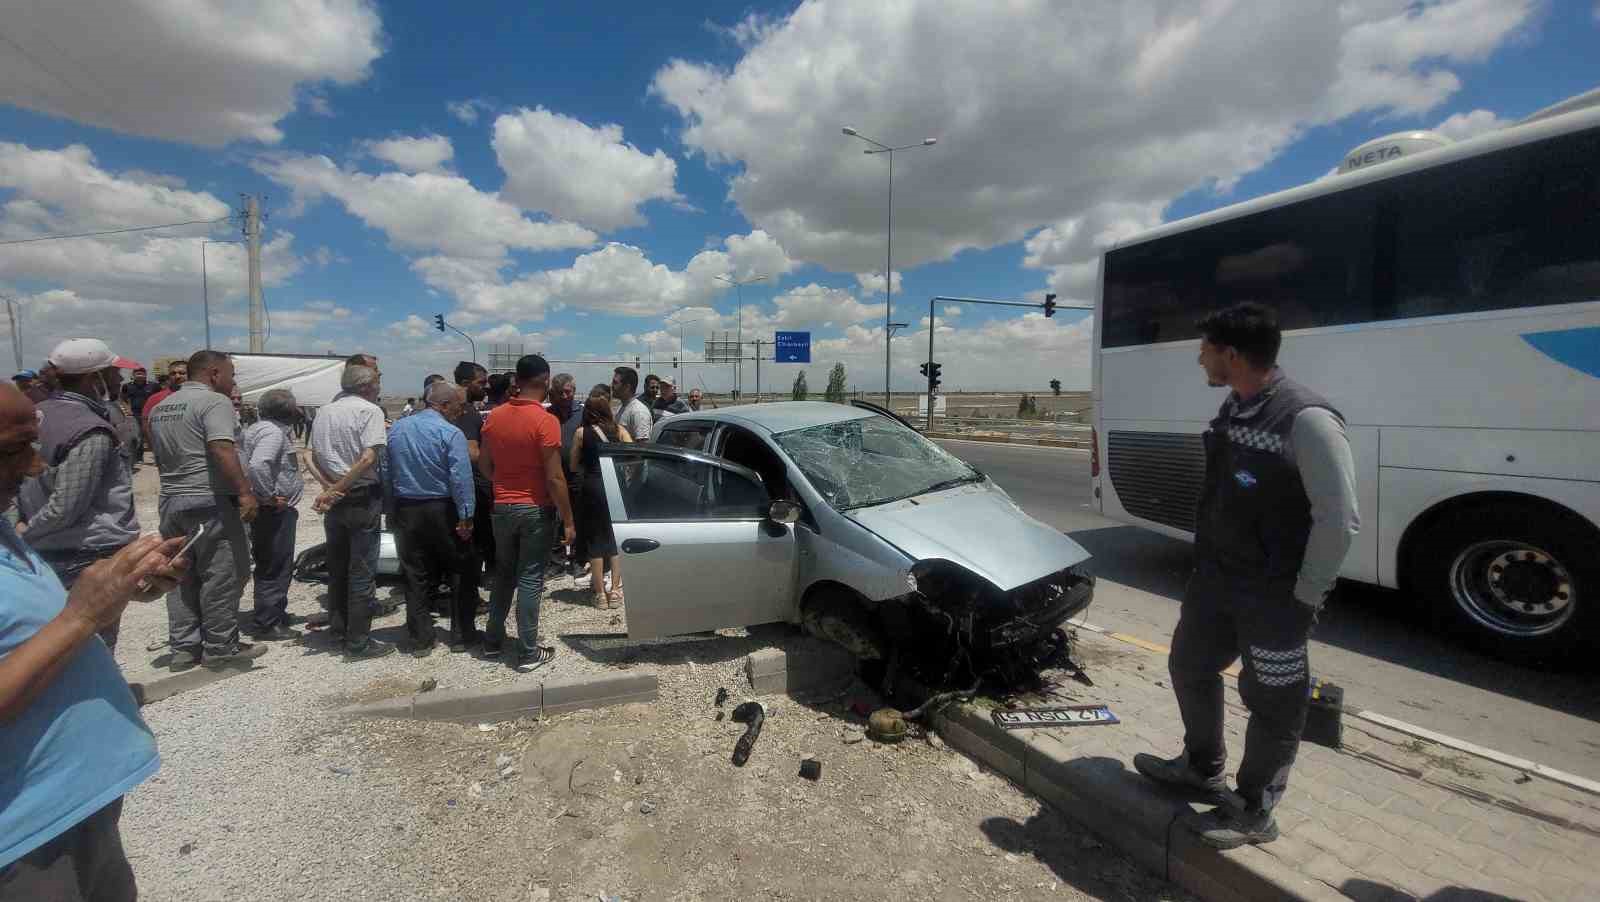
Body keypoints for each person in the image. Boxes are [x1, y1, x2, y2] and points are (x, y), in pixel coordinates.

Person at [1133, 303, 1359, 850]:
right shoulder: (1237, 407)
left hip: (1274, 595)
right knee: (1190, 665)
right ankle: (1200, 767)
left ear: (1231, 354)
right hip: (1217, 582)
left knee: (1275, 702)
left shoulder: (1306, 419)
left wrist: (1304, 597)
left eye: (1205, 349)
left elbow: (1339, 520)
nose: (1200, 358)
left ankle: (1255, 808)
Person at [0, 382, 189, 900]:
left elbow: (22, 630)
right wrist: (83, 616)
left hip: (76, 806)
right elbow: (67, 623)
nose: (36, 467)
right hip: (24, 839)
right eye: (13, 449)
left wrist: (121, 591)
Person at [16, 339, 144, 652]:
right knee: (92, 648)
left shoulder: (38, 414)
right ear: (94, 378)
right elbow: (66, 506)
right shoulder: (89, 429)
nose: (120, 380)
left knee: (57, 646)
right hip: (85, 552)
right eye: (114, 373)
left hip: (50, 548)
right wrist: (24, 535)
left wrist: (21, 529)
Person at [147, 350, 263, 672]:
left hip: (171, 499)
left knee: (181, 573)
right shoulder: (215, 402)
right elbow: (221, 448)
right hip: (209, 500)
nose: (233, 380)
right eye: (231, 373)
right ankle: (220, 649)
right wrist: (245, 492)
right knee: (222, 575)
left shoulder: (161, 407)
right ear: (214, 374)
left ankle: (184, 649)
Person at [479, 354, 574, 673]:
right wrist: (569, 520)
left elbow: (484, 465)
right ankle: (528, 652)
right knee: (531, 578)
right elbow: (555, 477)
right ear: (546, 381)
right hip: (535, 509)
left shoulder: (494, 416)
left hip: (502, 507)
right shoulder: (546, 421)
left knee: (503, 575)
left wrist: (505, 485)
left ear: (517, 381)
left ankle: (492, 643)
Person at [384, 381, 478, 654]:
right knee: (460, 569)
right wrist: (466, 515)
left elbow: (386, 471)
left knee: (415, 574)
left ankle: (420, 639)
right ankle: (462, 635)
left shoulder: (398, 429)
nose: (459, 413)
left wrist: (390, 510)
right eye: (457, 407)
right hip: (442, 508)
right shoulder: (450, 433)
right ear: (444, 405)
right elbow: (460, 478)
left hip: (407, 508)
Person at [306, 363, 393, 660]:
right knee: (362, 570)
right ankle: (358, 642)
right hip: (359, 496)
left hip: (335, 500)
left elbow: (310, 456)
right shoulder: (370, 411)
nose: (380, 387)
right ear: (368, 386)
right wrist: (340, 486)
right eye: (378, 382)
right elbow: (369, 457)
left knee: (338, 567)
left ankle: (338, 628)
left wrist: (329, 487)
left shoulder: (324, 411)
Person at [239, 389, 304, 641]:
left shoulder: (259, 429)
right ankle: (268, 623)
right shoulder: (272, 433)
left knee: (270, 562)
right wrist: (268, 497)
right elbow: (258, 464)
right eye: (295, 405)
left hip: (270, 509)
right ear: (285, 409)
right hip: (273, 511)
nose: (298, 410)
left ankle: (273, 611)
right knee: (275, 564)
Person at [570, 385, 634, 608]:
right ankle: (615, 591)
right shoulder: (620, 430)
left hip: (593, 486)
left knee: (595, 541)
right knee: (614, 539)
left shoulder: (581, 433)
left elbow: (573, 464)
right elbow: (634, 455)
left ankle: (599, 595)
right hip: (615, 485)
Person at [451, 361, 495, 589]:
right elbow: (471, 452)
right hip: (474, 486)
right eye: (481, 383)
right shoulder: (466, 412)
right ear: (466, 383)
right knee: (475, 541)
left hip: (455, 486)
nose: (485, 387)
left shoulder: (451, 408)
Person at [141, 360, 188, 463]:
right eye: (173, 373)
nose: (177, 376)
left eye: (182, 373)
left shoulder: (200, 396)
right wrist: (154, 448)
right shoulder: (155, 398)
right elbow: (146, 424)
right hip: (167, 455)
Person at [120, 367, 157, 469]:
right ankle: (139, 458)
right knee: (138, 436)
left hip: (151, 413)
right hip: (136, 414)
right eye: (137, 373)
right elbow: (122, 398)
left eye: (142, 373)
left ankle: (157, 457)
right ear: (133, 375)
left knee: (153, 435)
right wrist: (128, 409)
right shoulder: (127, 386)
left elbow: (159, 397)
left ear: (145, 374)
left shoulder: (153, 385)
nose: (140, 375)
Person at [611, 366, 653, 444]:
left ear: (627, 387)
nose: (611, 386)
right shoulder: (621, 407)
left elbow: (642, 448)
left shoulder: (639, 412)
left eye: (615, 382)